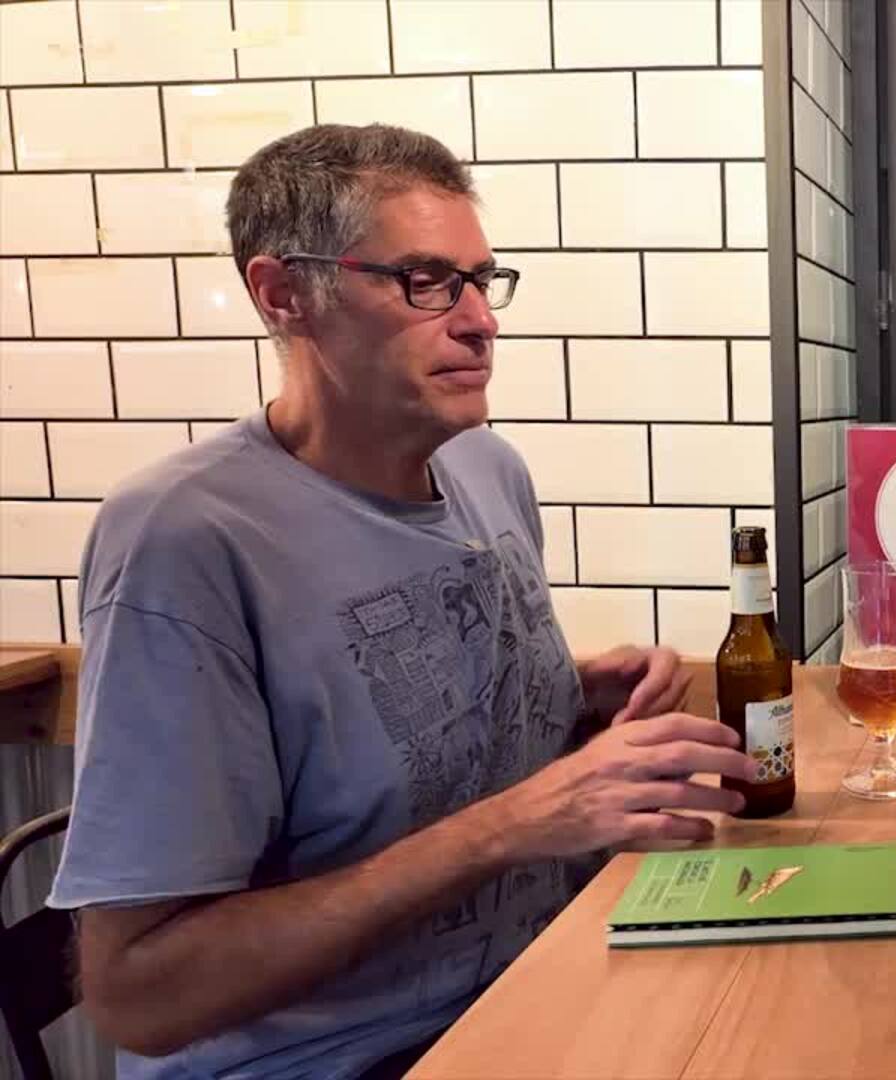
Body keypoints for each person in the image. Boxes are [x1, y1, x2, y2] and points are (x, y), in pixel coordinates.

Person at [48, 124, 756, 1078]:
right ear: (283, 293)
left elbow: (382, 719)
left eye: (482, 280)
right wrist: (518, 820)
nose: (480, 321)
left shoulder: (486, 469)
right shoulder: (185, 539)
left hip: (540, 986)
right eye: (425, 281)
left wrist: (567, 696)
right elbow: (142, 995)